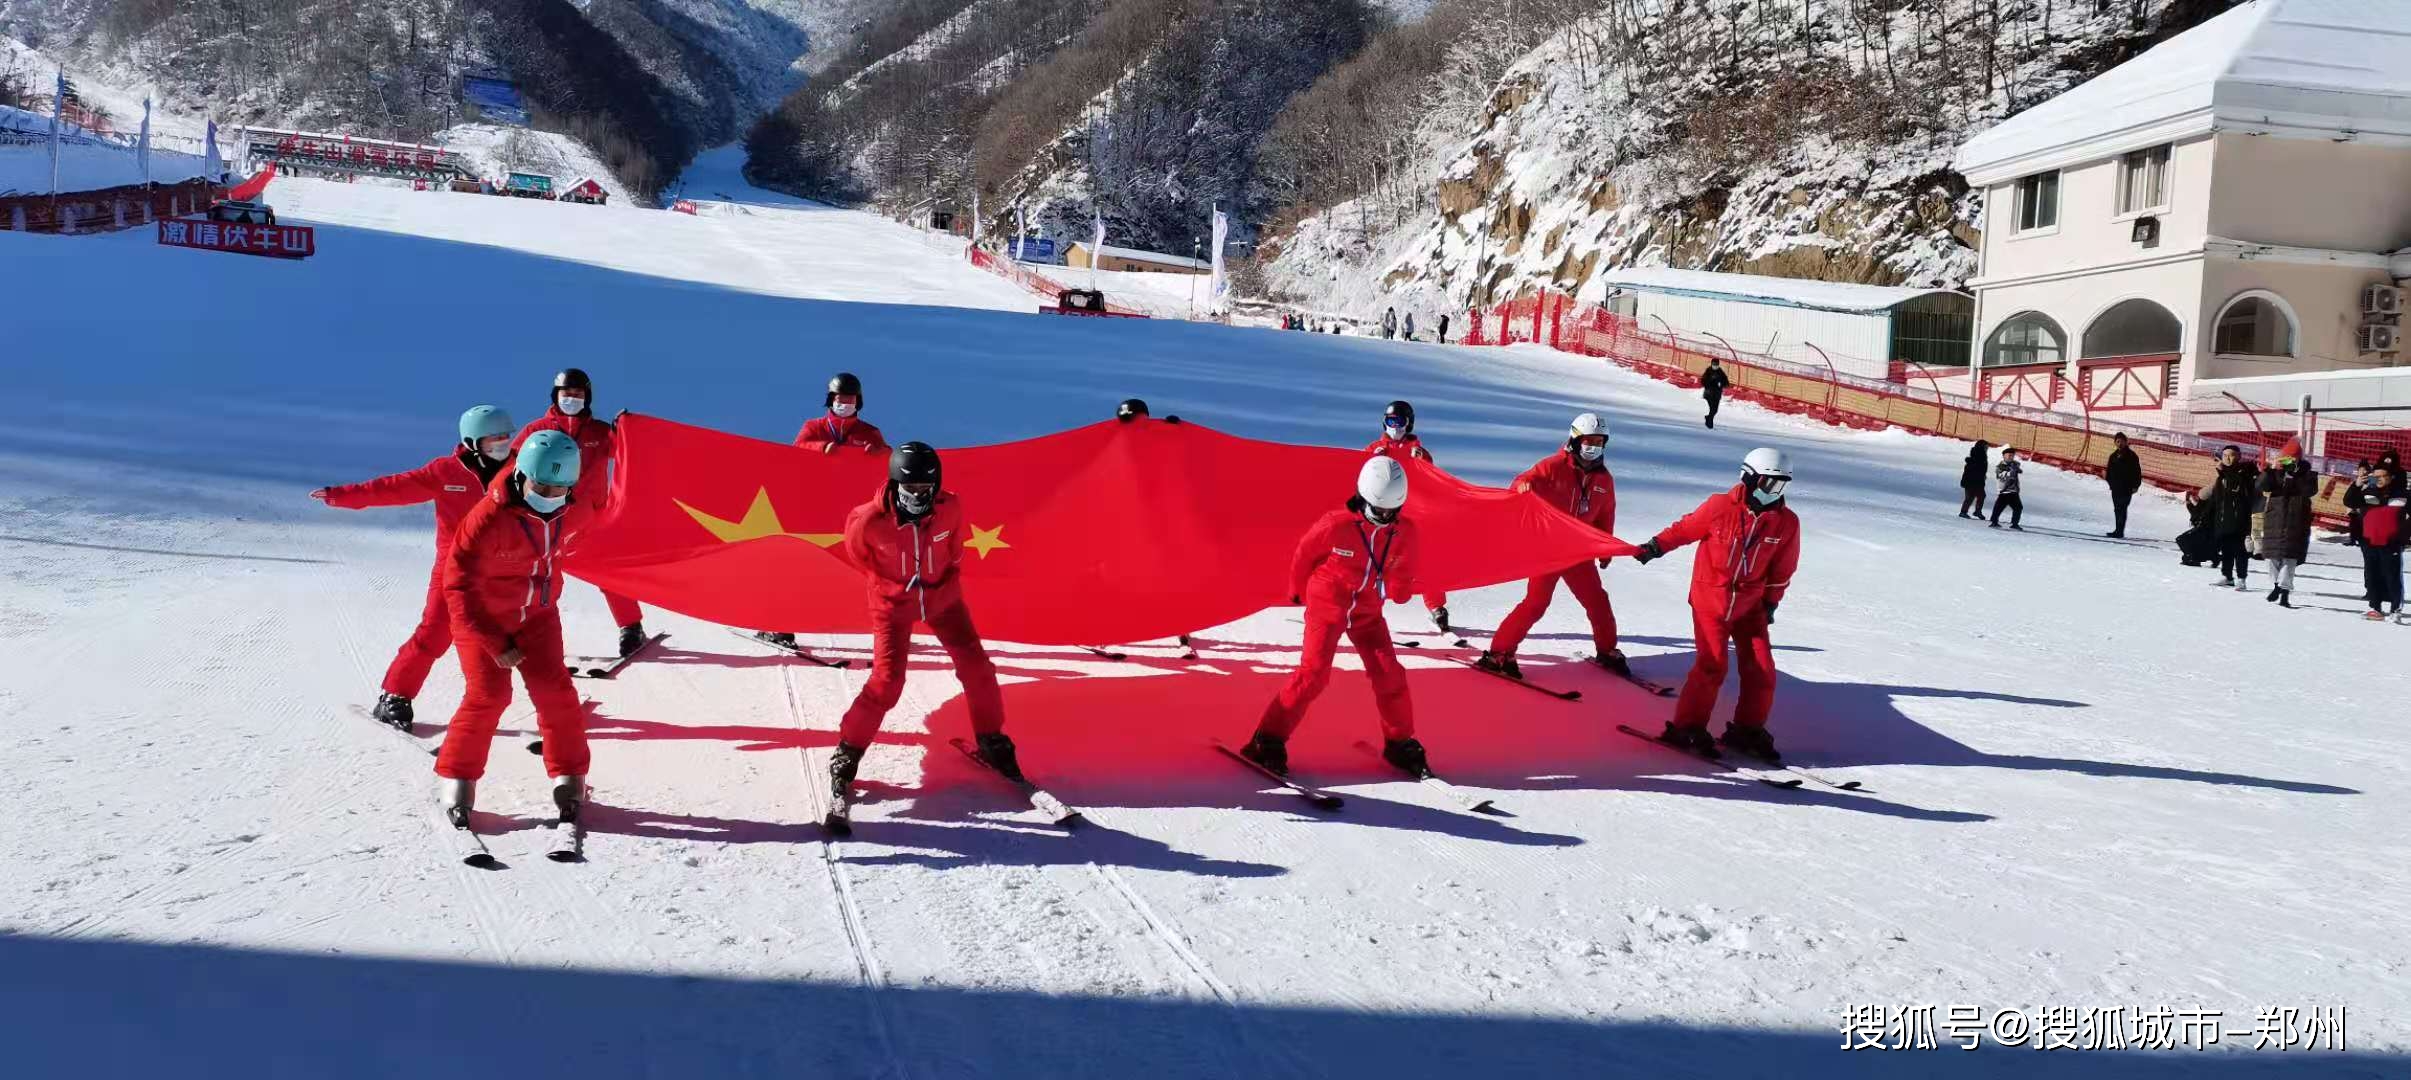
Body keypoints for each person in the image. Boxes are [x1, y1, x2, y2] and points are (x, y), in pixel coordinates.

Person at [829, 442, 1021, 804]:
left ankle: (991, 739)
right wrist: (894, 586)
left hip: (943, 600)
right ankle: (848, 749)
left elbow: (954, 551)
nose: (918, 496)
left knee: (978, 668)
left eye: (924, 489)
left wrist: (936, 582)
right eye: (910, 488)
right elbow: (860, 558)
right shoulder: (868, 521)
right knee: (887, 683)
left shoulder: (951, 508)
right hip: (892, 606)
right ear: (895, 484)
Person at [314, 405, 515, 730]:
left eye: (507, 437)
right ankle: (395, 696)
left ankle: (552, 701)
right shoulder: (446, 472)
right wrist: (342, 495)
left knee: (528, 630)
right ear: (473, 441)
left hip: (507, 567)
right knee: (434, 633)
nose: (503, 445)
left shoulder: (520, 467)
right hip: (455, 569)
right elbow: (393, 488)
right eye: (494, 439)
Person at [433, 430, 596, 826]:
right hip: (484, 619)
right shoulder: (486, 519)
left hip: (538, 618)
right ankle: (457, 778)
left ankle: (570, 777)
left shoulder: (571, 508)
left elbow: (609, 521)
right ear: (522, 475)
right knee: (489, 696)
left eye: (559, 489)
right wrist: (491, 640)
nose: (549, 495)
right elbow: (456, 585)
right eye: (541, 486)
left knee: (556, 694)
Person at [1240, 457, 1426, 778]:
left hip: (1367, 612)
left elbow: (1404, 564)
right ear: (1363, 498)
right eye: (1378, 511)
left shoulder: (1402, 530)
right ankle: (1266, 740)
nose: (1385, 519)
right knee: (1314, 674)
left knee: (1390, 674)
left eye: (1391, 513)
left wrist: (1401, 586)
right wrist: (1295, 589)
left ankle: (1399, 742)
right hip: (1328, 604)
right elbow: (1304, 554)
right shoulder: (1335, 525)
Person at [1630, 448, 1801, 761]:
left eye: (1782, 486)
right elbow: (1685, 529)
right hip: (1711, 600)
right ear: (1749, 478)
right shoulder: (1720, 507)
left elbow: (1783, 569)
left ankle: (1746, 730)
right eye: (1769, 484)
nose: (1775, 493)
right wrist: (1656, 547)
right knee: (1713, 665)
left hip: (1751, 606)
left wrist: (1770, 604)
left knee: (1762, 670)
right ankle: (1686, 728)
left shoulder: (1786, 522)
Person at [1478, 413, 1625, 677]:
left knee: (1598, 601)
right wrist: (1522, 486)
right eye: (1589, 440)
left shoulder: (1604, 480)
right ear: (1575, 439)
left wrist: (1606, 548)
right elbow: (1524, 480)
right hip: (1548, 550)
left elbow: (1606, 514)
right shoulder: (1553, 466)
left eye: (1600, 442)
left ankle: (1607, 650)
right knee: (1536, 603)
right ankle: (1500, 652)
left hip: (1580, 552)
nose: (1594, 447)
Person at [516, 368, 647, 656]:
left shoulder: (599, 433)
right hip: (547, 520)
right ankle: (532, 634)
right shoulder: (536, 431)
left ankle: (631, 626)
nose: (572, 399)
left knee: (609, 572)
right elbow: (511, 466)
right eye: (567, 394)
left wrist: (626, 429)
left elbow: (629, 451)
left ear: (587, 398)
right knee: (542, 579)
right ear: (556, 396)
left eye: (578, 394)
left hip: (592, 521)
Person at [1367, 400, 1452, 633]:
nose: (1395, 427)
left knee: (1423, 558)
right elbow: (1362, 478)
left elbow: (1432, 479)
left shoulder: (1418, 451)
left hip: (1413, 515)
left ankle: (1437, 607)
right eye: (1391, 421)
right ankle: (1368, 609)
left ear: (1409, 423)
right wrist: (1371, 458)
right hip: (1382, 515)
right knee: (1376, 561)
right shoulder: (1376, 447)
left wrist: (1424, 460)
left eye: (1400, 421)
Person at [2254, 439, 2316, 608]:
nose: (2288, 463)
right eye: (2285, 459)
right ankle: (2276, 585)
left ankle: (2284, 591)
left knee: (2290, 559)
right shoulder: (2275, 474)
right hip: (2275, 520)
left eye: (2291, 459)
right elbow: (2261, 486)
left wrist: (2294, 475)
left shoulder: (2308, 475)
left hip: (2296, 523)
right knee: (2271, 557)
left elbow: (2309, 490)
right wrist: (2269, 470)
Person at [2350, 462, 2405, 619]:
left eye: (2383, 476)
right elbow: (2350, 502)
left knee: (2392, 576)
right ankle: (2376, 607)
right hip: (2369, 541)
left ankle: (2395, 610)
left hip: (2391, 542)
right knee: (2372, 575)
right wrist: (2357, 484)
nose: (2379, 479)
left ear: (2391, 477)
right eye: (2376, 476)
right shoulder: (2368, 492)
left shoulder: (2402, 494)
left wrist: (2402, 535)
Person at [2202, 446, 2260, 590]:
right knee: (2226, 549)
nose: (2227, 458)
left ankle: (2241, 578)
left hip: (2240, 519)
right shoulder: (2222, 476)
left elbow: (2239, 486)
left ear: (2239, 457)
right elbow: (2216, 498)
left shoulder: (2245, 472)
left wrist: (2223, 472)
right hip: (2223, 519)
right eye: (2225, 455)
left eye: (2231, 455)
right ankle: (2227, 575)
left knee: (2240, 551)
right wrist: (2206, 515)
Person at [793, 371, 889, 455]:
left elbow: (890, 456)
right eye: (841, 398)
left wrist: (879, 452)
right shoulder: (814, 426)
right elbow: (797, 447)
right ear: (831, 399)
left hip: (853, 474)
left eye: (850, 398)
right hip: (820, 473)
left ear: (858, 401)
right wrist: (823, 447)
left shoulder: (870, 432)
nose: (846, 403)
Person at [2105, 432, 2142, 538]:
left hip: (2127, 488)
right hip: (2116, 488)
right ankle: (2118, 530)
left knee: (2122, 508)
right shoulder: (2113, 456)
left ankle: (2119, 531)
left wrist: (2136, 486)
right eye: (2117, 441)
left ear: (2126, 442)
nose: (2120, 443)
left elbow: (2137, 472)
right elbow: (2109, 472)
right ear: (2115, 443)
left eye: (2122, 441)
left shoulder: (2132, 456)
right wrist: (2111, 483)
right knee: (2117, 509)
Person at [1989, 446, 2024, 530]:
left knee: (2018, 507)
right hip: (2004, 490)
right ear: (2004, 456)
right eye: (2008, 455)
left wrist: (2016, 468)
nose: (2010, 457)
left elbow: (2019, 470)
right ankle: (1994, 522)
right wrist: (2010, 472)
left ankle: (2014, 524)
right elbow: (2000, 476)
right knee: (1999, 507)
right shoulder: (2000, 466)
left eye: (2012, 455)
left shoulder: (2013, 465)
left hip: (2013, 490)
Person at [1958, 440, 1990, 519]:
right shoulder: (1978, 456)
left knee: (1981, 496)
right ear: (1981, 447)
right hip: (1971, 481)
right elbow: (1973, 469)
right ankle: (1963, 512)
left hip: (1978, 481)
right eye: (1986, 447)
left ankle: (1977, 511)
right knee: (1970, 497)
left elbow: (1981, 469)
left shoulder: (1982, 456)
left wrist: (1983, 475)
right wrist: (1980, 475)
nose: (1987, 449)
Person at [1700, 358, 1730, 429]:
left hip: (1717, 394)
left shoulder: (1720, 372)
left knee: (1715, 410)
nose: (1715, 366)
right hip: (1709, 394)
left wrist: (1722, 384)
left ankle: (1708, 418)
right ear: (1711, 364)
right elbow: (1703, 380)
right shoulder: (1708, 370)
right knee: (1712, 409)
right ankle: (1709, 425)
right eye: (1714, 364)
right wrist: (1709, 382)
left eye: (1716, 364)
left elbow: (1726, 382)